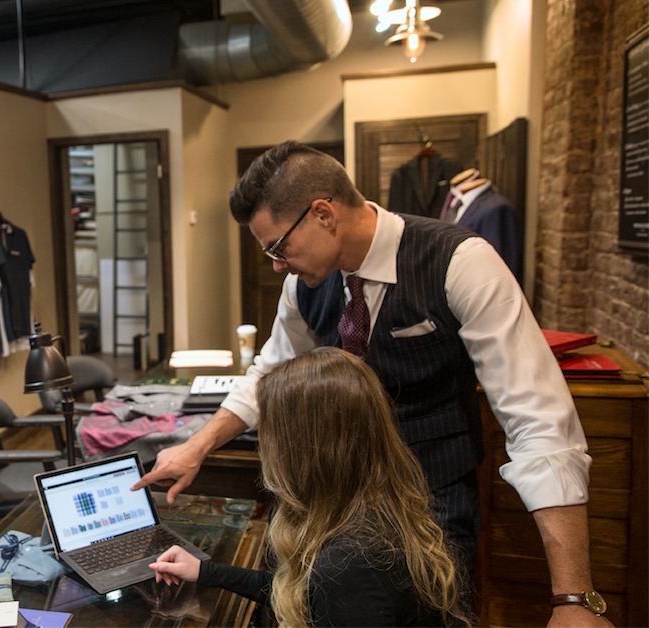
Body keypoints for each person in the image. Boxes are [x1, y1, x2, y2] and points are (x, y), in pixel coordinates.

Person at [132, 141, 609, 627]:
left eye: (278, 247)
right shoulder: (302, 286)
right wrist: (198, 445)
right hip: (333, 504)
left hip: (432, 503)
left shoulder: (461, 261)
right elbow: (267, 375)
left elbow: (538, 422)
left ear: (323, 214)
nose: (276, 264)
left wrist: (572, 597)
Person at [151, 347, 469, 628]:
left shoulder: (347, 570)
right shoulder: (378, 513)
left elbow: (326, 591)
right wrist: (205, 572)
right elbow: (300, 591)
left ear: (300, 451)